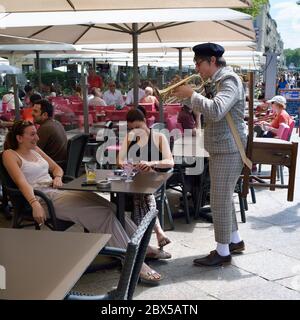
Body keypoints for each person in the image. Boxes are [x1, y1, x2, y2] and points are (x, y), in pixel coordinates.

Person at [2, 120, 164, 284]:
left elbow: (57, 168)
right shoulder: (10, 154)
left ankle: (144, 248)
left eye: (36, 132)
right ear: (19, 138)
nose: (37, 137)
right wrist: (34, 203)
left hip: (58, 190)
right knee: (103, 215)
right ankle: (133, 262)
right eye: (32, 134)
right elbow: (21, 182)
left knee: (111, 206)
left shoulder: (35, 149)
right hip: (44, 199)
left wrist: (57, 178)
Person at [173, 42, 247, 267]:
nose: (197, 68)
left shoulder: (229, 80)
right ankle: (235, 240)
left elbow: (215, 110)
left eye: (199, 63)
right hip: (221, 146)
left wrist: (192, 94)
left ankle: (223, 252)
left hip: (228, 148)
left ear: (212, 61)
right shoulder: (217, 81)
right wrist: (185, 95)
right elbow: (207, 107)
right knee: (222, 197)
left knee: (218, 199)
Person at [118, 109, 174, 255]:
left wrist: (151, 163)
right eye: (131, 128)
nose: (135, 131)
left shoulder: (159, 137)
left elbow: (170, 162)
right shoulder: (130, 138)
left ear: (145, 121)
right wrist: (128, 165)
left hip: (153, 178)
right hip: (135, 179)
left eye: (138, 127)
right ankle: (158, 232)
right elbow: (120, 160)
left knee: (141, 195)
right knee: (141, 194)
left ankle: (138, 241)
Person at [31, 99, 68, 164]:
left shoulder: (45, 128)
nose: (32, 113)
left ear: (45, 115)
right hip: (61, 165)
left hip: (52, 168)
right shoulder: (57, 123)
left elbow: (33, 151)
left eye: (35, 111)